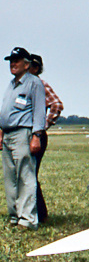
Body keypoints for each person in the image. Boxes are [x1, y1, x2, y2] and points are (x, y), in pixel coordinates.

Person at [0, 47, 46, 230]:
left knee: (25, 176)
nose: (13, 63)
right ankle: (15, 216)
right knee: (10, 178)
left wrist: (36, 136)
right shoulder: (11, 84)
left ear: (27, 65)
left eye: (17, 60)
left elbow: (39, 112)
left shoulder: (34, 83)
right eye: (11, 60)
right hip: (7, 135)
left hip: (23, 134)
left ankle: (27, 220)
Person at [27, 54, 62, 222]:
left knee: (30, 175)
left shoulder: (40, 84)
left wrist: (41, 127)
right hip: (24, 135)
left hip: (36, 136)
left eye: (30, 66)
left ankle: (40, 214)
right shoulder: (22, 86)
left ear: (36, 68)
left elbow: (56, 104)